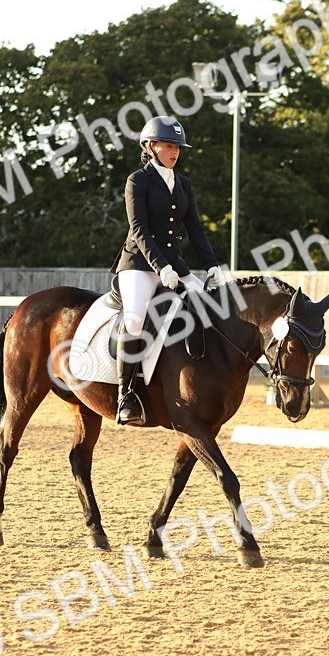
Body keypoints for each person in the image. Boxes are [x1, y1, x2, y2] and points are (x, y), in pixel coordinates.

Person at [109, 115, 231, 425]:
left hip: (175, 266)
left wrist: (213, 265)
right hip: (138, 265)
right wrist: (160, 266)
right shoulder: (138, 180)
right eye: (168, 145)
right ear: (149, 146)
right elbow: (139, 229)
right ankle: (127, 395)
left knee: (211, 309)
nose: (174, 151)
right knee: (135, 319)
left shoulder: (184, 185)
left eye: (177, 146)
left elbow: (196, 229)